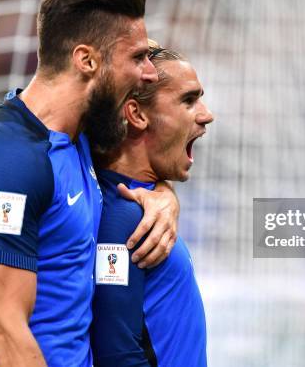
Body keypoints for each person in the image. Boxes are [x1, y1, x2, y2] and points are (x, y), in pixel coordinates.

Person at [0, 0, 180, 367]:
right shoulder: (9, 163)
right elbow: (4, 329)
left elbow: (147, 166)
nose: (149, 74)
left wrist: (165, 199)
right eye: (137, 58)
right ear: (86, 60)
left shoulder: (78, 136)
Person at [90, 41, 214, 366]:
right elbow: (115, 353)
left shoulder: (146, 201)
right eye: (188, 100)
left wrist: (165, 192)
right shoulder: (124, 219)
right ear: (137, 114)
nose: (206, 115)